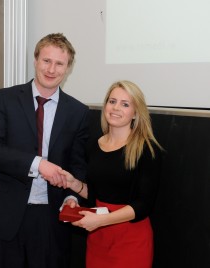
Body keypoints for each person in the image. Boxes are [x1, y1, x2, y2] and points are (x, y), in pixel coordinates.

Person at [0, 33, 90, 268]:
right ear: (35, 60)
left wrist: (72, 197)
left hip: (52, 220)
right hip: (7, 216)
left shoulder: (78, 112)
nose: (51, 69)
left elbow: (78, 164)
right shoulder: (6, 98)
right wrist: (38, 164)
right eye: (46, 61)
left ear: (68, 68)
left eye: (60, 63)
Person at [60, 80, 163, 268]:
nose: (116, 108)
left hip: (131, 240)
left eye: (125, 104)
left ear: (135, 113)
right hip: (98, 238)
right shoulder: (94, 145)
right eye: (112, 101)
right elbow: (96, 195)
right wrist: (74, 184)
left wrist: (101, 220)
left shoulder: (146, 149)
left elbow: (144, 205)